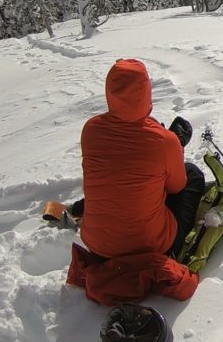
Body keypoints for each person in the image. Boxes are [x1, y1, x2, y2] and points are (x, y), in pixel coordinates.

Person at [79, 58, 205, 260]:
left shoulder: (91, 130)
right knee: (192, 174)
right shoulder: (164, 141)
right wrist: (176, 145)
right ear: (146, 91)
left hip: (98, 246)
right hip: (150, 246)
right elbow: (176, 187)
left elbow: (121, 162)